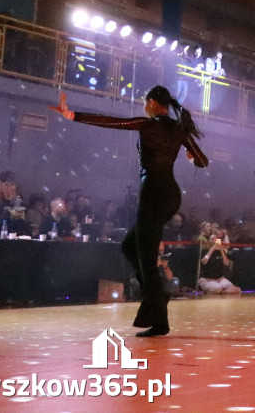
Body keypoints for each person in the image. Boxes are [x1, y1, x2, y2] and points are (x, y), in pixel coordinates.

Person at [49, 86, 207, 337]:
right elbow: (202, 160)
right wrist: (187, 157)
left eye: (146, 102)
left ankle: (160, 317)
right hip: (171, 195)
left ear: (153, 103)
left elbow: (113, 122)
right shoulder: (178, 129)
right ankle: (157, 296)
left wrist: (72, 115)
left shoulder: (147, 124)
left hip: (154, 194)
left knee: (145, 258)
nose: (145, 106)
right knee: (129, 247)